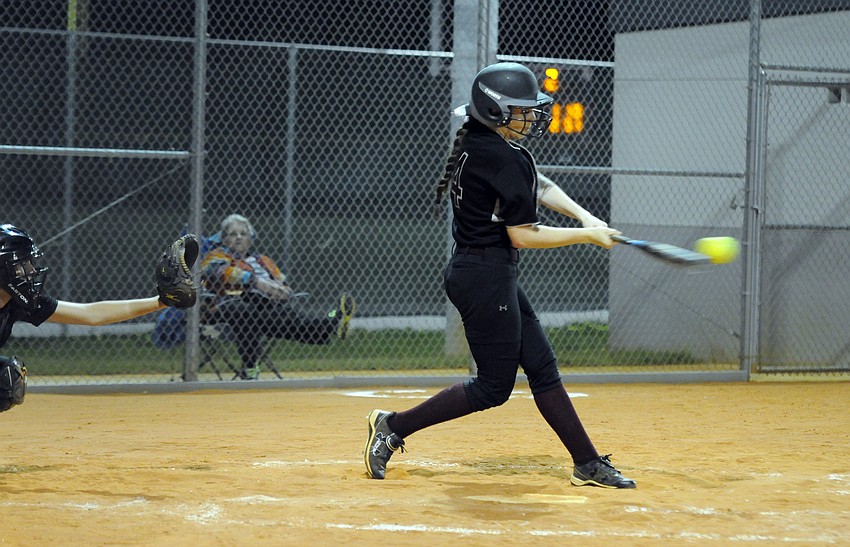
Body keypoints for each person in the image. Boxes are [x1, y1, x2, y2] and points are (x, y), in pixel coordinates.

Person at [364, 62, 636, 489]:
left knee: (542, 369)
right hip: (484, 275)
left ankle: (586, 463)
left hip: (485, 270)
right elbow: (523, 235)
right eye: (521, 111)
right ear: (495, 112)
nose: (531, 118)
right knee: (493, 388)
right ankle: (393, 425)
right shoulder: (500, 155)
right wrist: (587, 235)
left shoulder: (481, 141)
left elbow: (537, 184)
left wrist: (585, 214)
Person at [1, 223, 185, 412]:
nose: (31, 270)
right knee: (5, 375)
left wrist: (160, 302)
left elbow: (90, 314)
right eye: (22, 264)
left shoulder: (15, 302)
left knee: (8, 375)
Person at [200, 214, 355, 380]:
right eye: (232, 234)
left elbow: (282, 282)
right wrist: (255, 282)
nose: (238, 238)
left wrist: (284, 293)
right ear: (223, 239)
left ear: (251, 239)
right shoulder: (216, 256)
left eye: (243, 234)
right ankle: (330, 324)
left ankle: (250, 368)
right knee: (249, 312)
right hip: (227, 305)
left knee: (279, 315)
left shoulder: (264, 260)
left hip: (265, 306)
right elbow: (218, 273)